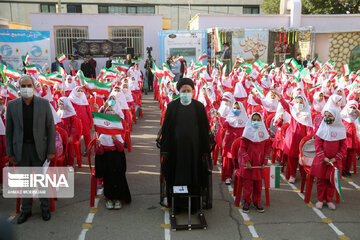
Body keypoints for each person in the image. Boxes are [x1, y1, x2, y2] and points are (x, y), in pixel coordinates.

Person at [5, 75, 55, 224]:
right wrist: (10, 153)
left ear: (34, 86)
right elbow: (9, 131)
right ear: (19, 88)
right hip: (21, 149)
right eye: (23, 86)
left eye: (29, 85)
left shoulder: (44, 104)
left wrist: (50, 150)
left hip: (39, 148)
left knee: (41, 181)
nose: (26, 88)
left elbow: (50, 128)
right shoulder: (12, 105)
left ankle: (45, 208)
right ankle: (25, 210)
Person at [160, 78, 212, 212]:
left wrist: (205, 150)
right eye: (183, 91)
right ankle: (178, 204)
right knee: (177, 176)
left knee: (194, 176)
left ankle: (193, 205)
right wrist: (165, 150)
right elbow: (166, 129)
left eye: (189, 90)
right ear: (179, 91)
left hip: (194, 151)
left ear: (193, 92)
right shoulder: (172, 106)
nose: (186, 93)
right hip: (176, 151)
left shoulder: (199, 107)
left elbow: (204, 129)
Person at [95, 106, 131, 209]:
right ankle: (109, 198)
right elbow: (100, 153)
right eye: (108, 110)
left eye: (111, 110)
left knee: (118, 177)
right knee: (108, 178)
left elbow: (120, 148)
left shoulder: (117, 132)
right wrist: (99, 145)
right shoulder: (100, 134)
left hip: (116, 158)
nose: (110, 112)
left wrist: (115, 139)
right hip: (106, 159)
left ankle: (118, 198)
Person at [310, 108, 347, 210]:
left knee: (331, 180)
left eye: (330, 116)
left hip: (335, 161)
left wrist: (336, 158)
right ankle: (320, 199)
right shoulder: (322, 128)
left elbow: (343, 147)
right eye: (325, 116)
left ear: (336, 117)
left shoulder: (341, 130)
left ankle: (329, 200)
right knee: (321, 180)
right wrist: (323, 157)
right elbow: (318, 143)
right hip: (322, 160)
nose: (327, 118)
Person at [239, 112, 271, 213]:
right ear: (250, 121)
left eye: (258, 120)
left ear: (261, 121)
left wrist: (265, 161)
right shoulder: (247, 132)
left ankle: (257, 201)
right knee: (248, 184)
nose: (256, 122)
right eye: (254, 120)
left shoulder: (264, 134)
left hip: (259, 164)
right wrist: (247, 161)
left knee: (258, 184)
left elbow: (267, 149)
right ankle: (247, 201)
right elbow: (242, 148)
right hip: (249, 165)